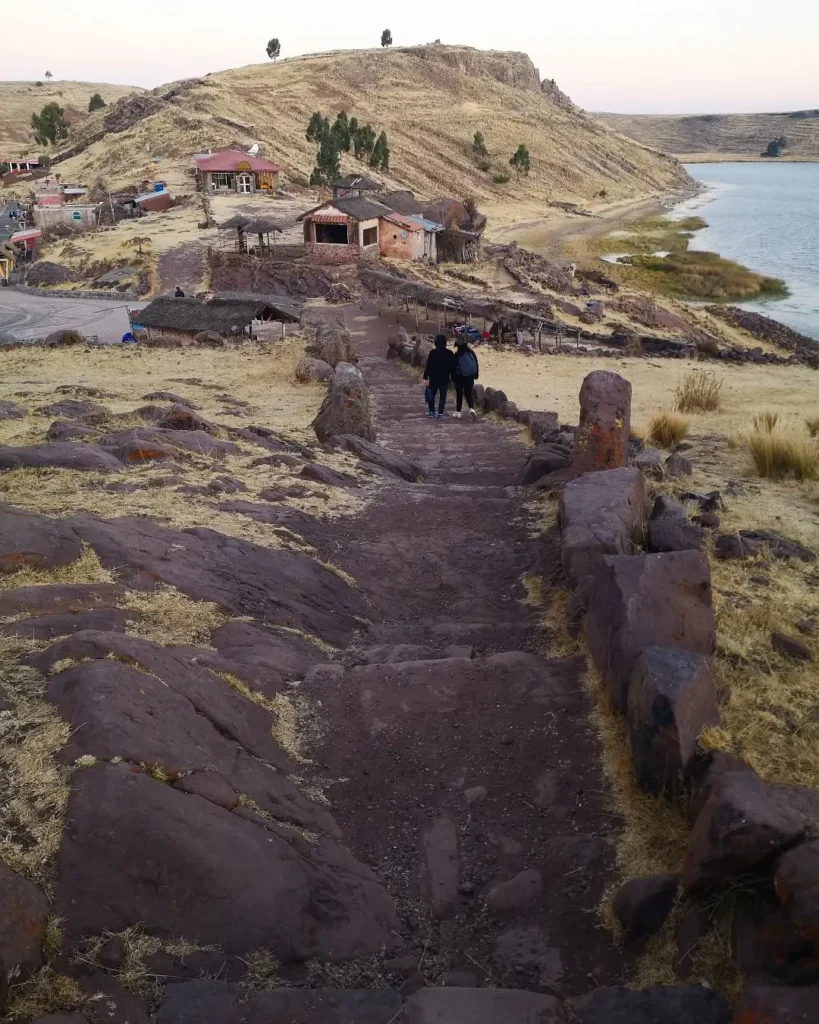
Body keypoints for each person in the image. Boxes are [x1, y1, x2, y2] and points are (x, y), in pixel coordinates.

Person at [423, 334, 454, 421]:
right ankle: (440, 414)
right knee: (443, 396)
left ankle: (432, 411)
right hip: (445, 378)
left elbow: (428, 366)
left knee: (431, 395)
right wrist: (452, 379)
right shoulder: (450, 353)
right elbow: (452, 368)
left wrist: (425, 377)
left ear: (436, 342)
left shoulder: (433, 352)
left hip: (434, 378)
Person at [452, 336, 479, 419]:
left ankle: (459, 412)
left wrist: (453, 377)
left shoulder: (457, 355)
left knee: (459, 394)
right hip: (470, 376)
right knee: (468, 392)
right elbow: (476, 363)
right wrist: (476, 374)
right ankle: (471, 408)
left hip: (459, 376)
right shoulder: (471, 353)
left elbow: (453, 367)